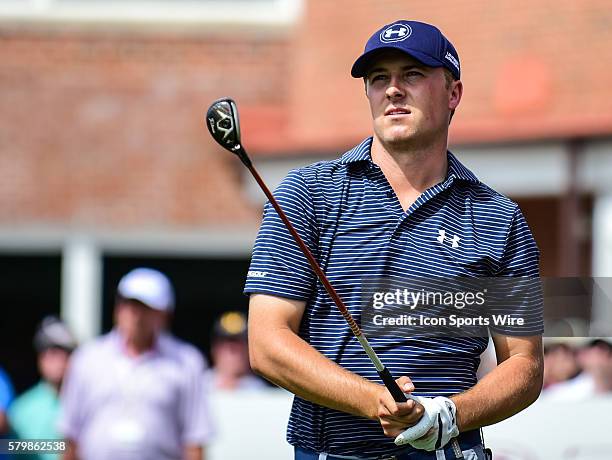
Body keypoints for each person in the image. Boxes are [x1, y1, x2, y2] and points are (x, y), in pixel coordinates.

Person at [245, 19, 543, 459]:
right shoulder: (307, 193)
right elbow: (267, 343)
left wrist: (448, 414)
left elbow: (525, 364)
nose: (393, 90)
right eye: (378, 78)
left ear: (453, 93)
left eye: (413, 74)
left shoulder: (499, 218)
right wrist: (375, 401)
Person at [59, 268, 213, 460]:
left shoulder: (187, 361)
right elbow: (70, 435)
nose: (135, 314)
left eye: (145, 307)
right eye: (128, 304)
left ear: (164, 314)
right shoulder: (87, 358)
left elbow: (194, 438)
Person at [8, 316, 76, 460]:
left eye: (61, 351)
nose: (53, 358)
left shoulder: (85, 403)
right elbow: (7, 446)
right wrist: (64, 447)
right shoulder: (20, 409)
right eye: (46, 351)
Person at [209, 311, 266, 391]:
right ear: (215, 348)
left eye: (238, 343)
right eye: (226, 342)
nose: (232, 349)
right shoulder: (197, 384)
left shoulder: (262, 392)